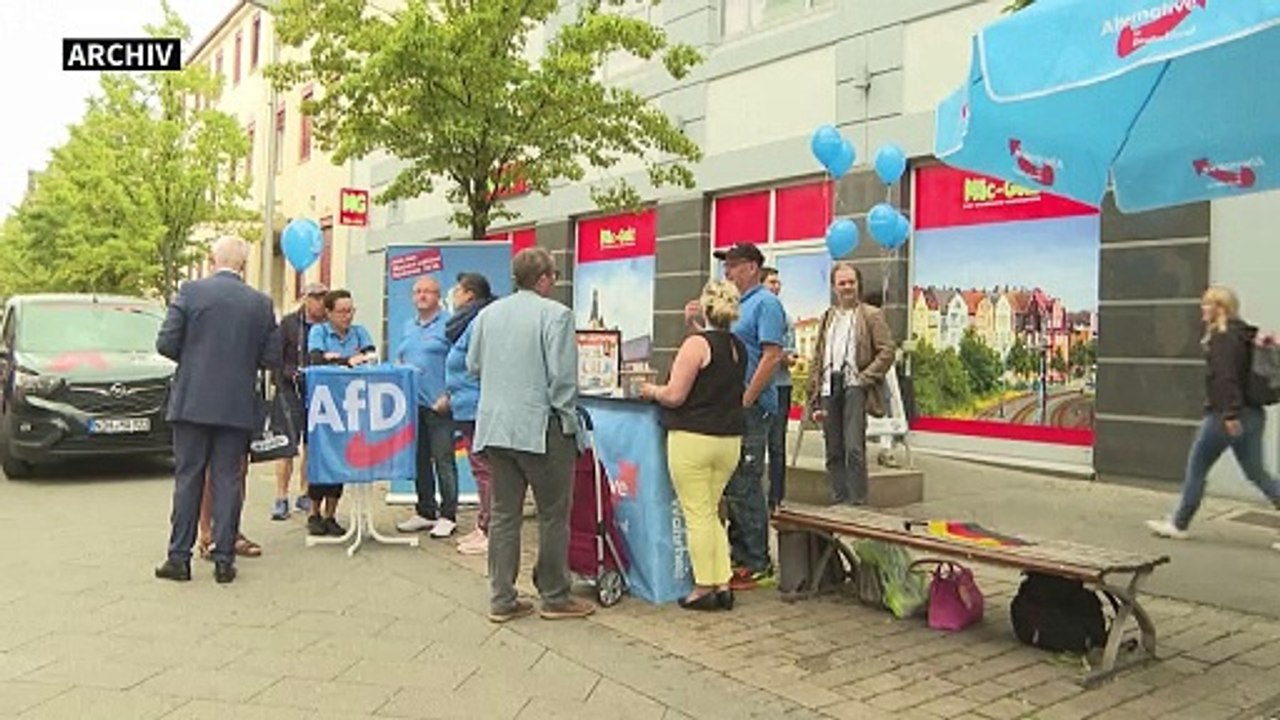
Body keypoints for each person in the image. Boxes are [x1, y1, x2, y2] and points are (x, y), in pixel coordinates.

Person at [468, 247, 596, 623]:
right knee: (554, 514)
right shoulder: (556, 315)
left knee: (505, 515)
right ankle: (555, 595)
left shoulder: (488, 314)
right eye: (553, 275)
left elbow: (473, 365)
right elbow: (562, 380)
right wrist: (570, 422)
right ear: (543, 279)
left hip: (495, 427)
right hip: (541, 428)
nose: (554, 281)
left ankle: (502, 598)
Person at [153, 235, 279, 584]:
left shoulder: (191, 292)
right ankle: (224, 558)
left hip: (193, 400)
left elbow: (165, 342)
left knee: (188, 478)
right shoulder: (261, 303)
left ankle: (179, 558)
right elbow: (270, 357)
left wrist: (196, 361)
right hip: (236, 404)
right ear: (243, 265)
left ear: (212, 259)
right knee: (228, 479)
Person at [640, 280, 746, 611]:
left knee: (697, 513)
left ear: (703, 307)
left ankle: (703, 587)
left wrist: (650, 390)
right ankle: (723, 581)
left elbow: (675, 395)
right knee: (711, 510)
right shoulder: (737, 346)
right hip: (729, 441)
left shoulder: (695, 345)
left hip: (693, 438)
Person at [685, 242, 785, 590]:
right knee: (732, 483)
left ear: (754, 267)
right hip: (727, 406)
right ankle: (738, 556)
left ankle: (757, 562)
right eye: (725, 265)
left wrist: (746, 397)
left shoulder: (766, 304)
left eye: (734, 265)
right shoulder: (735, 306)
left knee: (746, 483)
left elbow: (772, 356)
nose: (727, 271)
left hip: (752, 408)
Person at [1146, 287, 1280, 542]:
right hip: (1253, 415)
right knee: (1258, 474)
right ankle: (1178, 521)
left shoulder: (1223, 336)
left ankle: (1179, 523)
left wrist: (1229, 414)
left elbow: (1226, 378)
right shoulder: (1246, 334)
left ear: (1220, 307)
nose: (1202, 310)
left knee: (1197, 468)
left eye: (1207, 305)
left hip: (1225, 416)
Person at [805, 262, 896, 506]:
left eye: (851, 282)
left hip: (855, 387)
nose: (847, 287)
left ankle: (857, 502)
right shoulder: (828, 317)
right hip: (828, 387)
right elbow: (819, 353)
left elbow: (887, 351)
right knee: (833, 448)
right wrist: (813, 387)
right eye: (842, 283)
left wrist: (865, 377)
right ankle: (838, 498)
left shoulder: (870, 315)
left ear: (858, 285)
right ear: (834, 287)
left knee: (854, 448)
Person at [305, 289, 378, 537]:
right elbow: (316, 360)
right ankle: (313, 512)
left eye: (351, 311)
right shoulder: (319, 332)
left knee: (342, 458)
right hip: (324, 405)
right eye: (342, 311)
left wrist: (337, 359)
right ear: (328, 313)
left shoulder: (360, 332)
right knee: (322, 457)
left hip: (352, 405)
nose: (347, 316)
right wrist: (347, 362)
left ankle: (331, 514)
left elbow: (370, 358)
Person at [396, 275, 459, 539]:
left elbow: (461, 363)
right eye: (417, 291)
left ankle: (448, 515)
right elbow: (402, 355)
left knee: (443, 460)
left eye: (428, 292)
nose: (422, 296)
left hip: (439, 405)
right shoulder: (408, 326)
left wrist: (450, 395)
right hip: (414, 405)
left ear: (438, 296)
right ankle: (425, 511)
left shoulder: (449, 325)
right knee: (420, 460)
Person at [442, 272, 498, 555]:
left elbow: (478, 363)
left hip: (477, 406)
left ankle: (489, 530)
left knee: (485, 469)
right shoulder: (466, 322)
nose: (452, 294)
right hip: (465, 404)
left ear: (470, 295)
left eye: (457, 290)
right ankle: (483, 525)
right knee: (481, 469)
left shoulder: (479, 322)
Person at [270, 282, 328, 520]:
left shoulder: (326, 326)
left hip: (318, 390)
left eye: (324, 297)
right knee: (286, 445)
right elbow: (276, 357)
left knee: (312, 444)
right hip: (289, 389)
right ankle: (281, 496)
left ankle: (305, 493)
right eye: (315, 297)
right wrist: (287, 374)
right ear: (306, 298)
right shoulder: (289, 323)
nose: (320, 302)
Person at [762, 267, 795, 511]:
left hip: (780, 386)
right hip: (756, 386)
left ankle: (776, 499)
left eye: (778, 282)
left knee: (776, 444)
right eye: (771, 282)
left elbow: (791, 356)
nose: (776, 287)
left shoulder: (786, 318)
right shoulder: (751, 313)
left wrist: (775, 355)